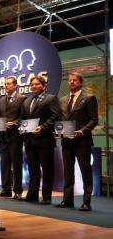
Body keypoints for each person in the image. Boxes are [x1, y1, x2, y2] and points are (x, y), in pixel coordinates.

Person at [56, 72, 98, 211]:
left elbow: (94, 119)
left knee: (85, 171)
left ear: (81, 82)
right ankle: (67, 200)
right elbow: (61, 120)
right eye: (69, 80)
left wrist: (82, 131)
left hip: (82, 141)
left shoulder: (89, 97)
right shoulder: (62, 99)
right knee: (67, 171)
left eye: (74, 80)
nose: (71, 82)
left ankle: (86, 202)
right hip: (66, 141)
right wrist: (57, 131)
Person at [20, 76, 61, 204]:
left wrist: (42, 127)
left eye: (37, 84)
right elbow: (23, 119)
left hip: (45, 140)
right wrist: (22, 128)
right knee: (33, 169)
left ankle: (47, 197)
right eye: (32, 84)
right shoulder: (27, 101)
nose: (34, 86)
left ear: (44, 86)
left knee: (47, 169)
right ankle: (32, 195)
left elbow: (56, 116)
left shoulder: (51, 98)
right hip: (29, 140)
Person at [0, 76, 26, 199]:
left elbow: (23, 117)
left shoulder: (22, 98)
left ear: (15, 85)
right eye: (5, 84)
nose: (5, 86)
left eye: (8, 84)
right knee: (5, 163)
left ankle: (17, 190)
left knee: (17, 164)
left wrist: (15, 123)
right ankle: (5, 189)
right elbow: (0, 117)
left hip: (15, 136)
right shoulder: (2, 100)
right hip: (3, 136)